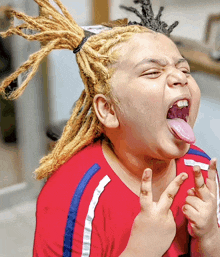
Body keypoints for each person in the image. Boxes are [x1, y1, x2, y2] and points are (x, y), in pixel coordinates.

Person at [0, 0, 220, 256]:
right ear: (109, 110)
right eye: (151, 72)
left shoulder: (202, 171)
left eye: (184, 69)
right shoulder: (71, 198)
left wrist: (209, 235)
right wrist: (141, 250)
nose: (180, 77)